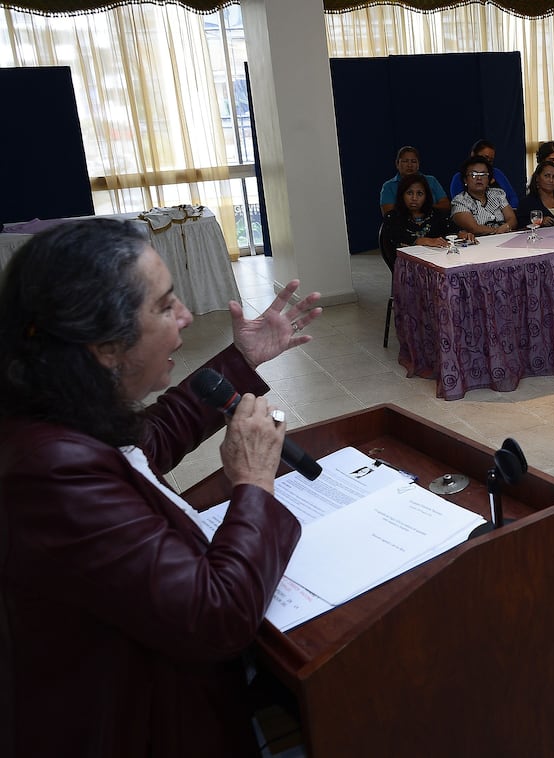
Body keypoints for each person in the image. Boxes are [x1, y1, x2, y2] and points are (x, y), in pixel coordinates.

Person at [0, 218, 321, 757]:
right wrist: (254, 484)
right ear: (105, 346)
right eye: (165, 306)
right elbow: (218, 617)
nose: (187, 318)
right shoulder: (50, 473)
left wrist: (239, 363)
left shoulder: (56, 408)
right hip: (150, 723)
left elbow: (141, 444)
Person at [381, 173, 467, 250]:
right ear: (402, 195)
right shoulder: (392, 217)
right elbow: (396, 237)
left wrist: (462, 233)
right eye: (409, 193)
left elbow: (454, 229)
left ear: (426, 196)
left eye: (419, 194)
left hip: (437, 259)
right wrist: (424, 241)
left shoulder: (437, 214)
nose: (414, 198)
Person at [449, 155, 518, 236]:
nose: (479, 178)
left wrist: (507, 226)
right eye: (474, 174)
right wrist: (499, 231)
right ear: (465, 180)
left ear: (489, 179)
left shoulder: (498, 194)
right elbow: (474, 228)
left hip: (505, 239)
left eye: (483, 174)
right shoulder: (459, 201)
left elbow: (512, 219)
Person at [447, 139, 520, 208]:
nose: (487, 162)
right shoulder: (459, 177)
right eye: (485, 158)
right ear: (473, 154)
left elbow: (512, 197)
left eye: (491, 160)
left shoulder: (497, 173)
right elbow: (459, 205)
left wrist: (509, 211)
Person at [379, 146, 449, 215]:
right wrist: (418, 208)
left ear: (418, 164)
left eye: (414, 161)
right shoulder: (389, 186)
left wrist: (423, 207)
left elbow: (446, 206)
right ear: (397, 164)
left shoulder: (431, 181)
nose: (410, 165)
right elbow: (388, 214)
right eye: (405, 161)